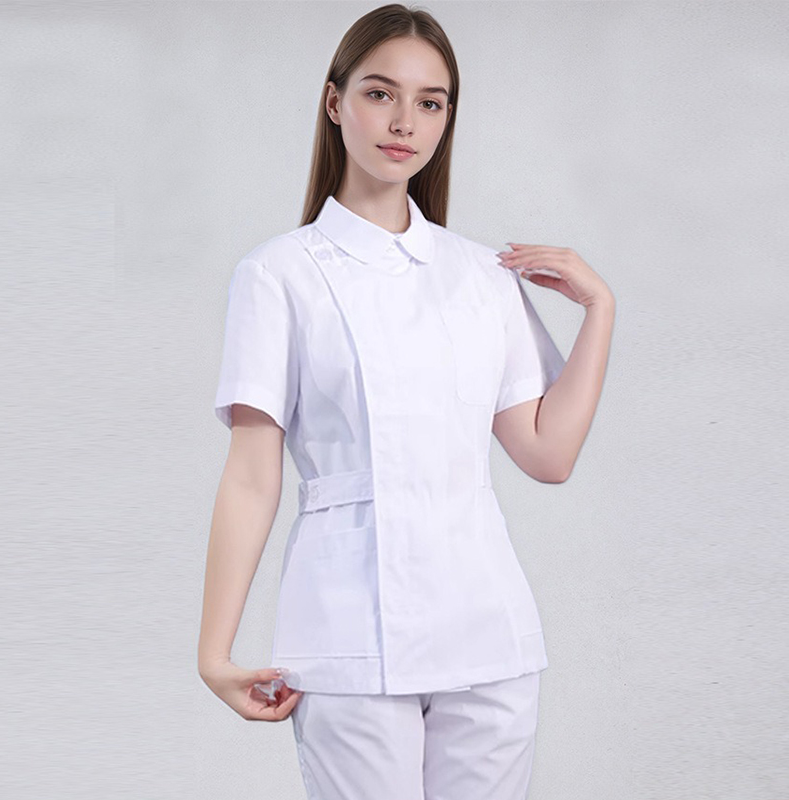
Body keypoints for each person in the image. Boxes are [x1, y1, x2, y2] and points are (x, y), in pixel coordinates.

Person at [198, 4, 615, 798]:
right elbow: (251, 476)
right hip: (349, 630)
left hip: (488, 631)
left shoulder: (481, 275)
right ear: (335, 102)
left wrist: (600, 310)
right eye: (380, 93)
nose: (405, 123)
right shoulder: (278, 274)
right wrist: (214, 653)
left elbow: (547, 455)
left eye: (430, 102)